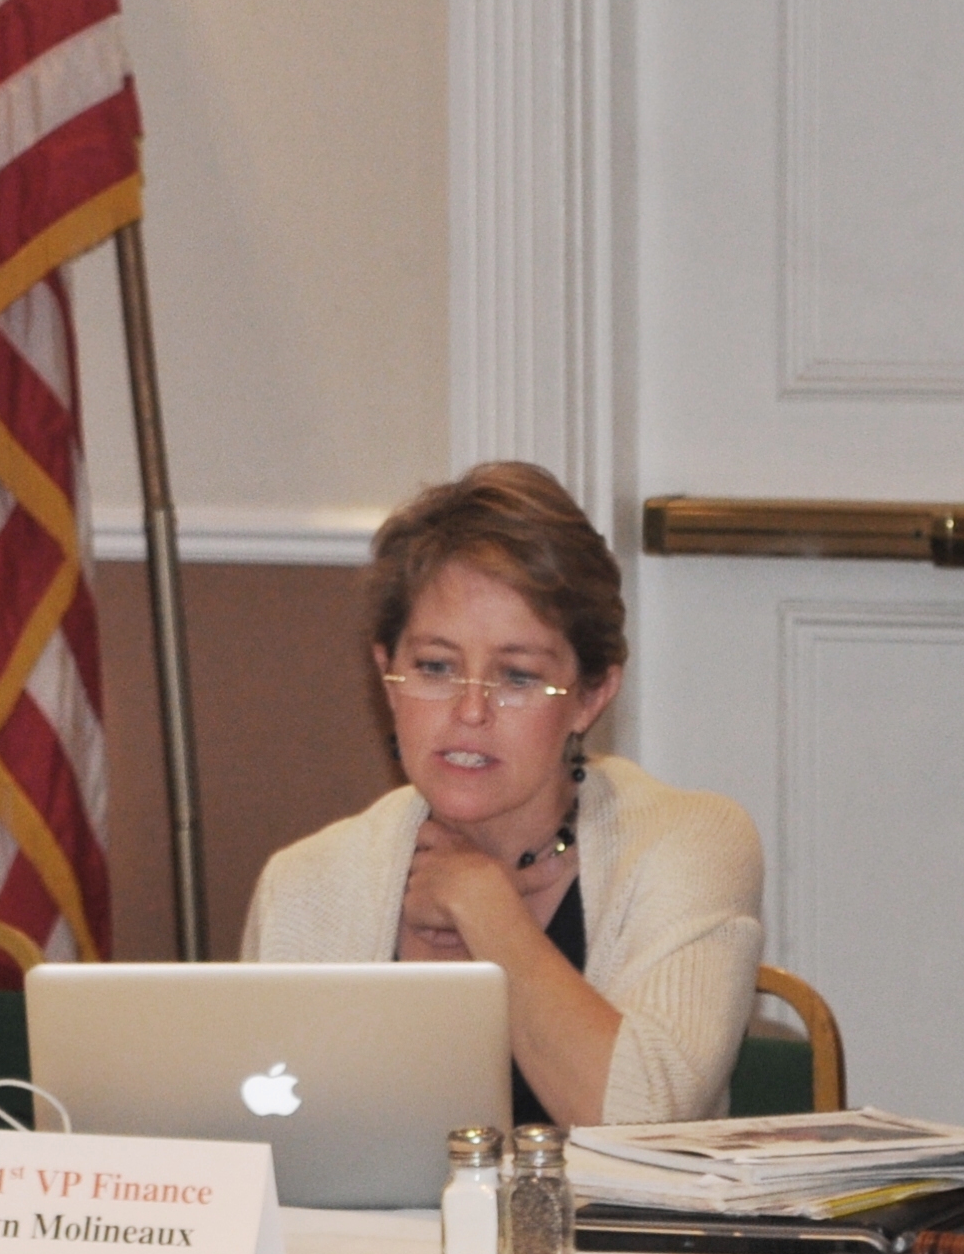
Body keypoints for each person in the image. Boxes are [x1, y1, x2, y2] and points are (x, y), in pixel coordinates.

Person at [244, 463, 764, 1127]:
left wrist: (483, 905)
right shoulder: (306, 883)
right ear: (386, 674)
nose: (470, 711)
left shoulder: (691, 843)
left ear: (591, 696)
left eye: (517, 676)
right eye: (435, 666)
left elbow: (639, 1123)